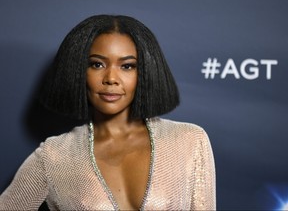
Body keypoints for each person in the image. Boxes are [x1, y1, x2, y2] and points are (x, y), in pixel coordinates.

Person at [0, 15, 216, 210]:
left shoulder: (189, 140)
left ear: (146, 73)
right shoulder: (54, 156)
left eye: (127, 66)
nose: (111, 78)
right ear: (78, 71)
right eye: (97, 64)